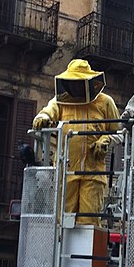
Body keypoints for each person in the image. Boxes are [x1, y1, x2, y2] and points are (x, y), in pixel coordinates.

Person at [32, 59, 120, 226]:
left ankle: (85, 252)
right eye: (72, 83)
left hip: (93, 173)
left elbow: (119, 133)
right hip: (66, 173)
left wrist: (106, 139)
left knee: (89, 223)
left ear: (89, 83)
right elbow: (47, 112)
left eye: (79, 83)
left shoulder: (105, 102)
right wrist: (42, 118)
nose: (75, 87)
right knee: (63, 222)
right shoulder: (60, 102)